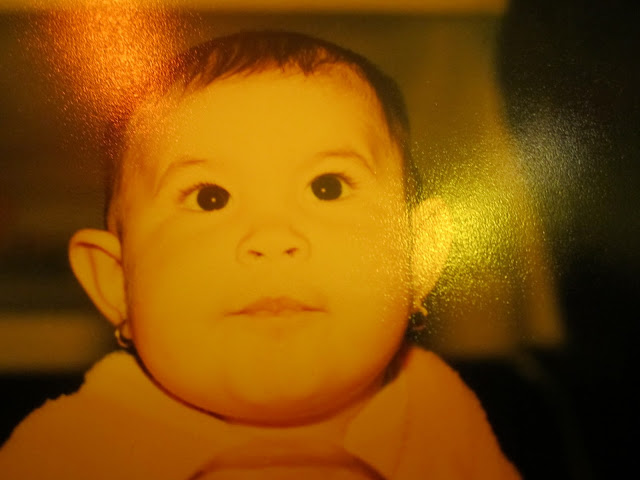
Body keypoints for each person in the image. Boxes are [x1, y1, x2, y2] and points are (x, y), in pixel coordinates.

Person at [0, 31, 520, 479]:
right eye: (210, 198)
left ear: (418, 256)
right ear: (117, 281)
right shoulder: (67, 454)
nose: (272, 236)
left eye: (328, 187)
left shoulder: (443, 420)